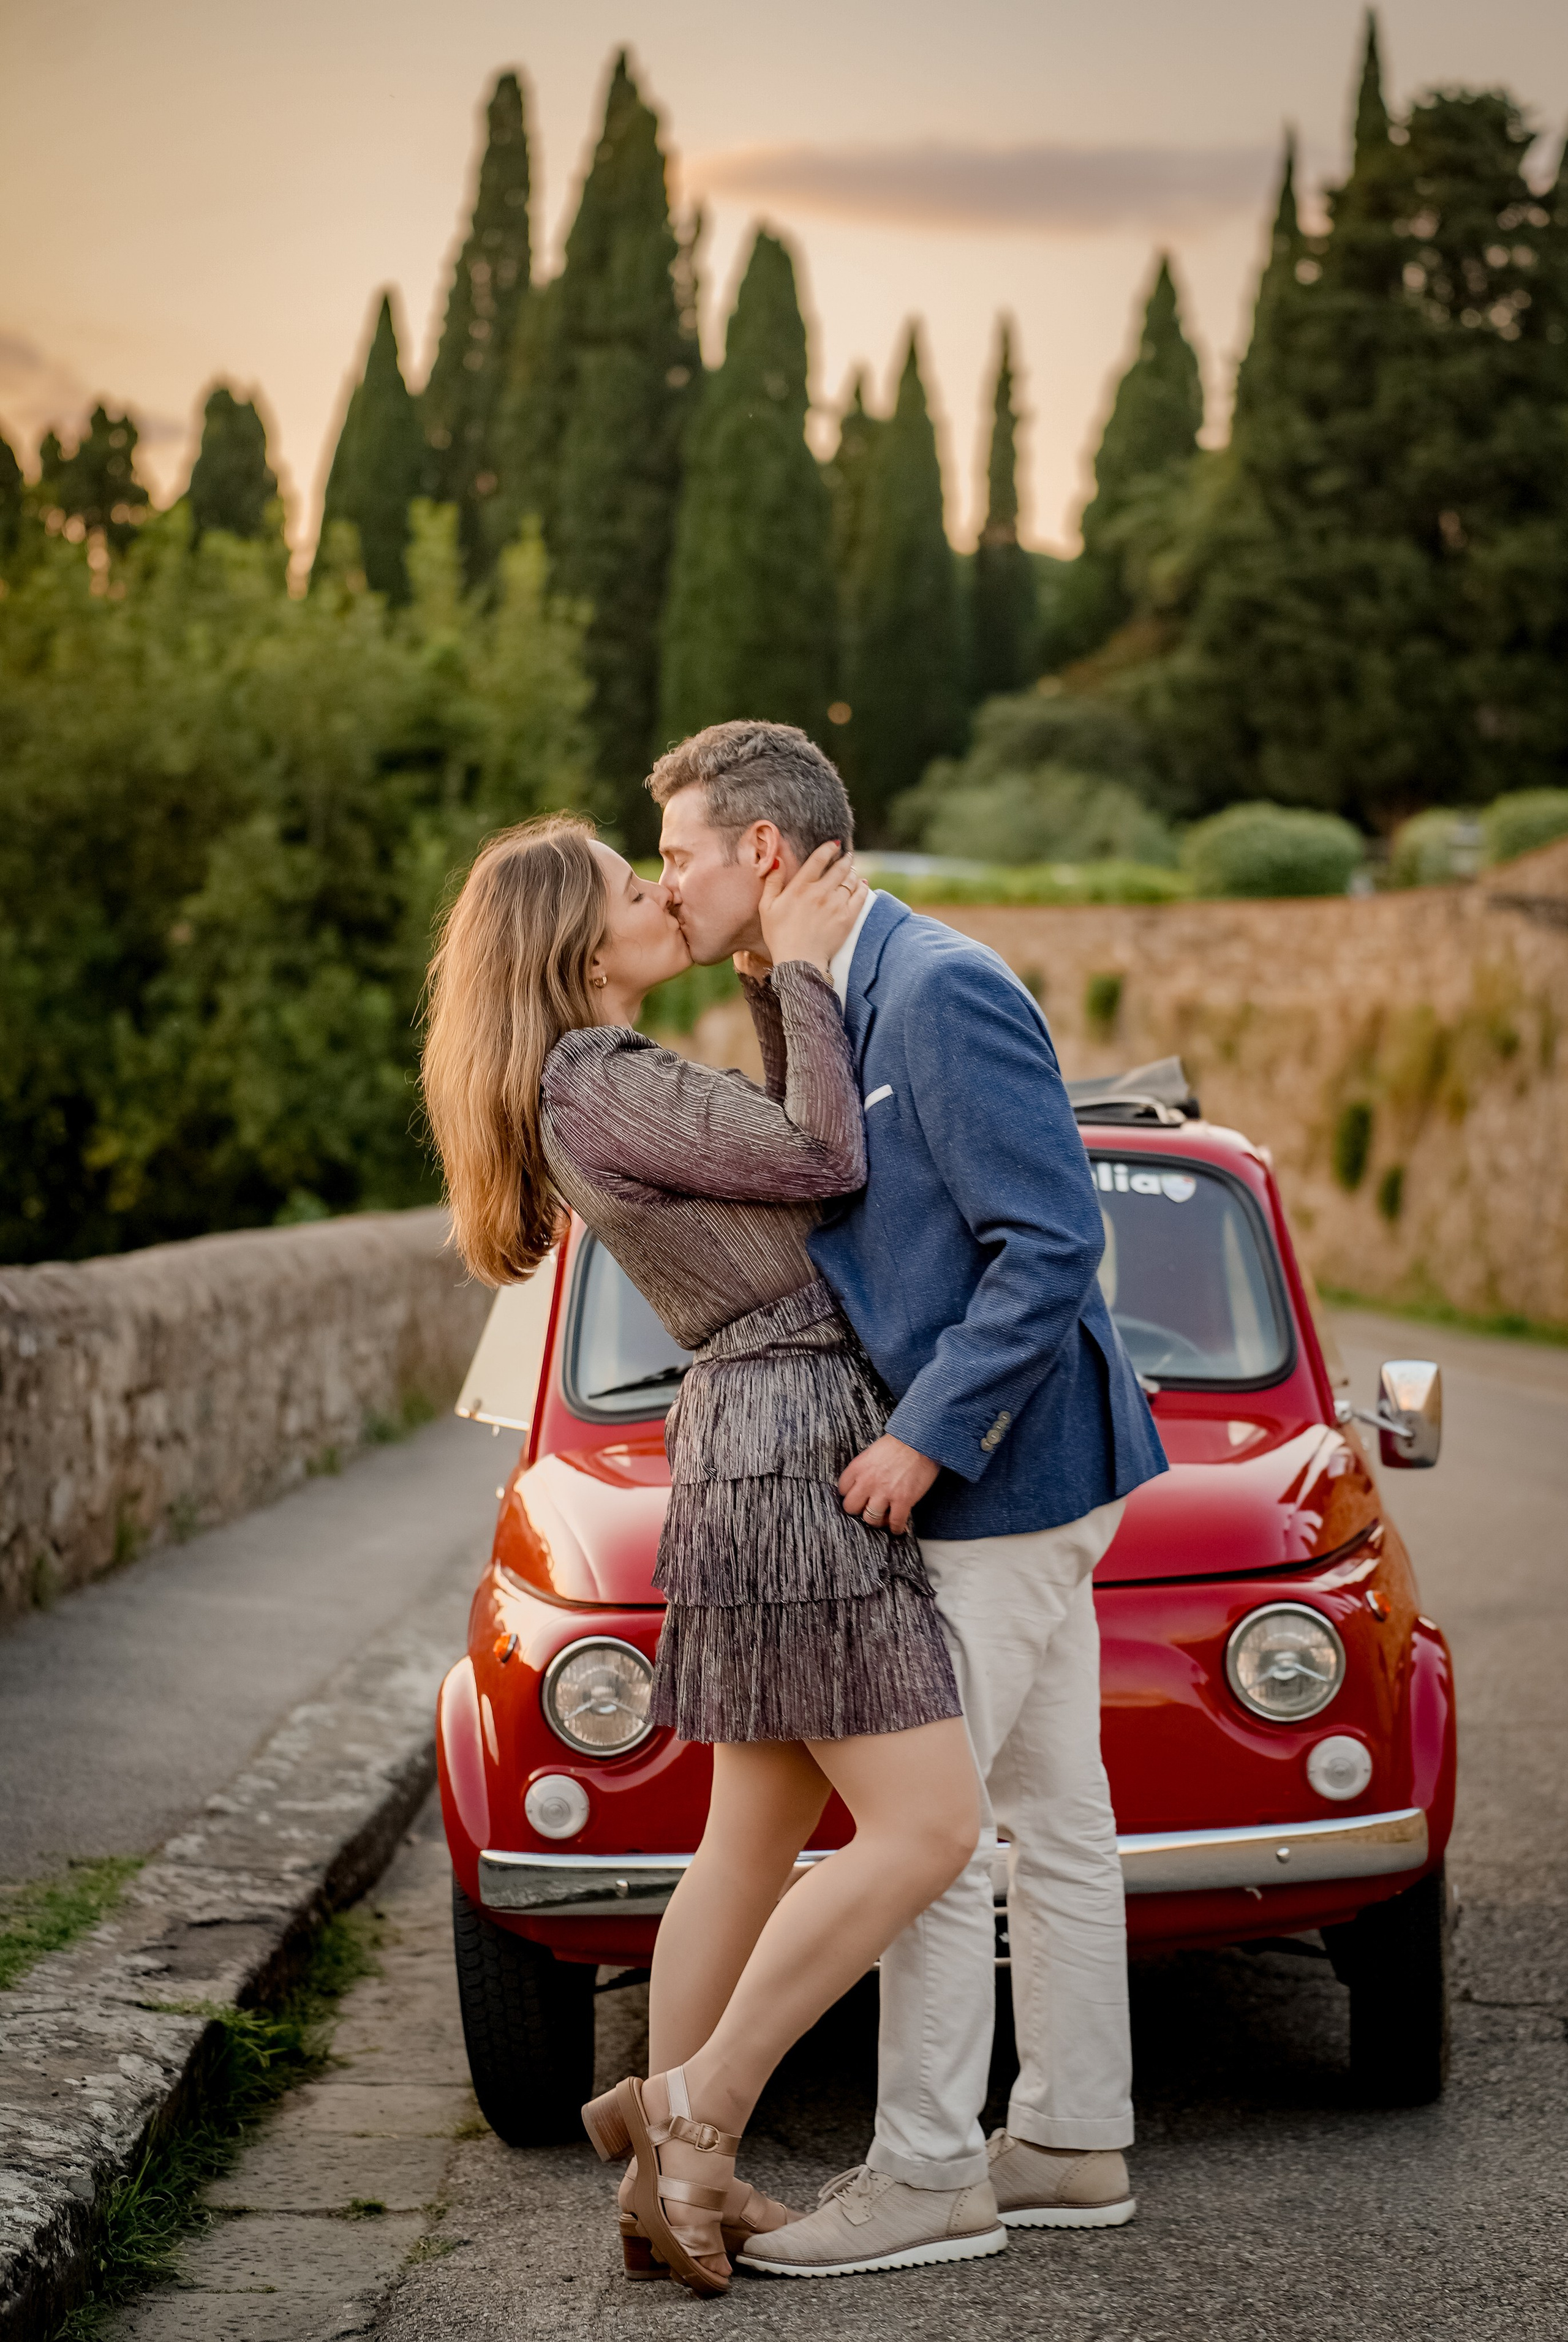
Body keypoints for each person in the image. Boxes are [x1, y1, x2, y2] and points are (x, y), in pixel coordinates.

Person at [420, 813, 997, 2297]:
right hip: (791, 1438)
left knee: (745, 1838)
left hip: (751, 1438)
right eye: (632, 885)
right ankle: (695, 2108)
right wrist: (801, 967)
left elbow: (756, 1148)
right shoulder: (594, 1076)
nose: (658, 890)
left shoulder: (586, 1086)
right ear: (578, 944)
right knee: (930, 1826)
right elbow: (816, 1149)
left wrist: (759, 969)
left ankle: (675, 2178)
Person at [651, 721, 1167, 2277]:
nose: (662, 884)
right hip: (1039, 1474)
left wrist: (927, 1439)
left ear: (759, 850)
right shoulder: (811, 994)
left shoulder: (935, 988)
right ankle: (1072, 2137)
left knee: (918, 1825)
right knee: (1056, 1816)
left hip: (1007, 1475)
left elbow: (1050, 1238)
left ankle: (930, 2171)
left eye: (676, 853)